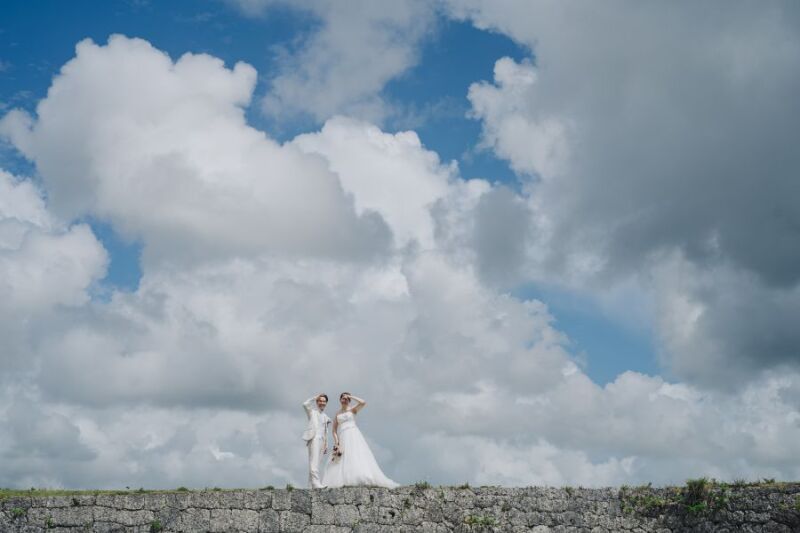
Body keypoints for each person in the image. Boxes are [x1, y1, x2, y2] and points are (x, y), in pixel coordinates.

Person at [321, 392, 399, 488]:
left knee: (356, 454)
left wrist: (351, 396)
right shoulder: (337, 413)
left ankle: (359, 476)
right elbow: (334, 430)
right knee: (342, 457)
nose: (344, 400)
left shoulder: (353, 409)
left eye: (346, 399)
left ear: (349, 400)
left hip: (353, 434)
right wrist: (337, 442)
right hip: (343, 436)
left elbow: (363, 402)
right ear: (340, 400)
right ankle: (344, 478)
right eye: (343, 398)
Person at [302, 393, 331, 488]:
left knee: (317, 463)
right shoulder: (312, 412)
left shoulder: (326, 417)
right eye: (320, 401)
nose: (322, 403)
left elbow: (326, 431)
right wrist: (315, 397)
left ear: (326, 403)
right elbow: (305, 404)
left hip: (322, 441)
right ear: (317, 402)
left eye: (324, 401)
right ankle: (316, 483)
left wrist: (326, 444)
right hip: (314, 438)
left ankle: (310, 485)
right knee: (313, 462)